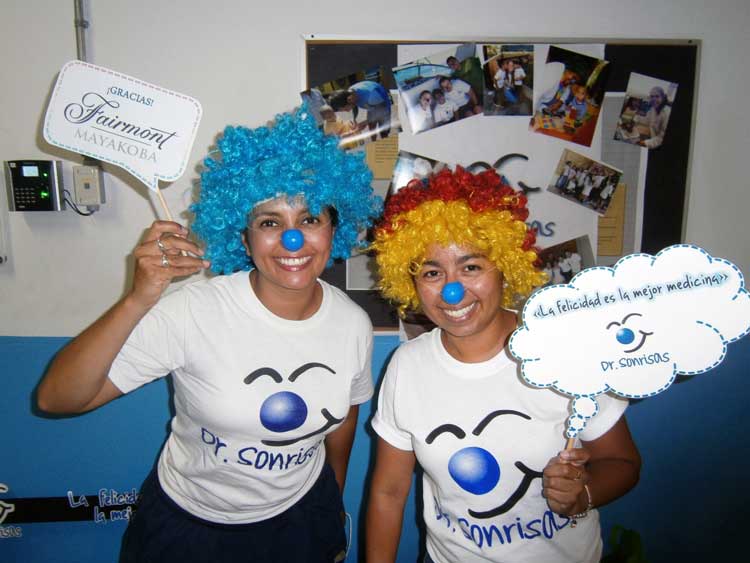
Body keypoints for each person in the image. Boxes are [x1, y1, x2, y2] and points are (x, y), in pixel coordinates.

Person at [37, 106, 382, 563]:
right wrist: (138, 298)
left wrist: (332, 496)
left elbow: (344, 418)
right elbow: (56, 399)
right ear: (244, 240)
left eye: (310, 218)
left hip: (301, 517)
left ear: (333, 230)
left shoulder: (352, 323)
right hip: (191, 528)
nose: (292, 240)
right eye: (270, 222)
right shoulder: (194, 312)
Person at [365, 167, 640, 563]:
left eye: (471, 267)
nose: (452, 289)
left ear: (504, 265)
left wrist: (584, 493)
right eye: (432, 272)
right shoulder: (407, 365)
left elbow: (624, 462)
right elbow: (388, 492)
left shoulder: (563, 351)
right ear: (410, 282)